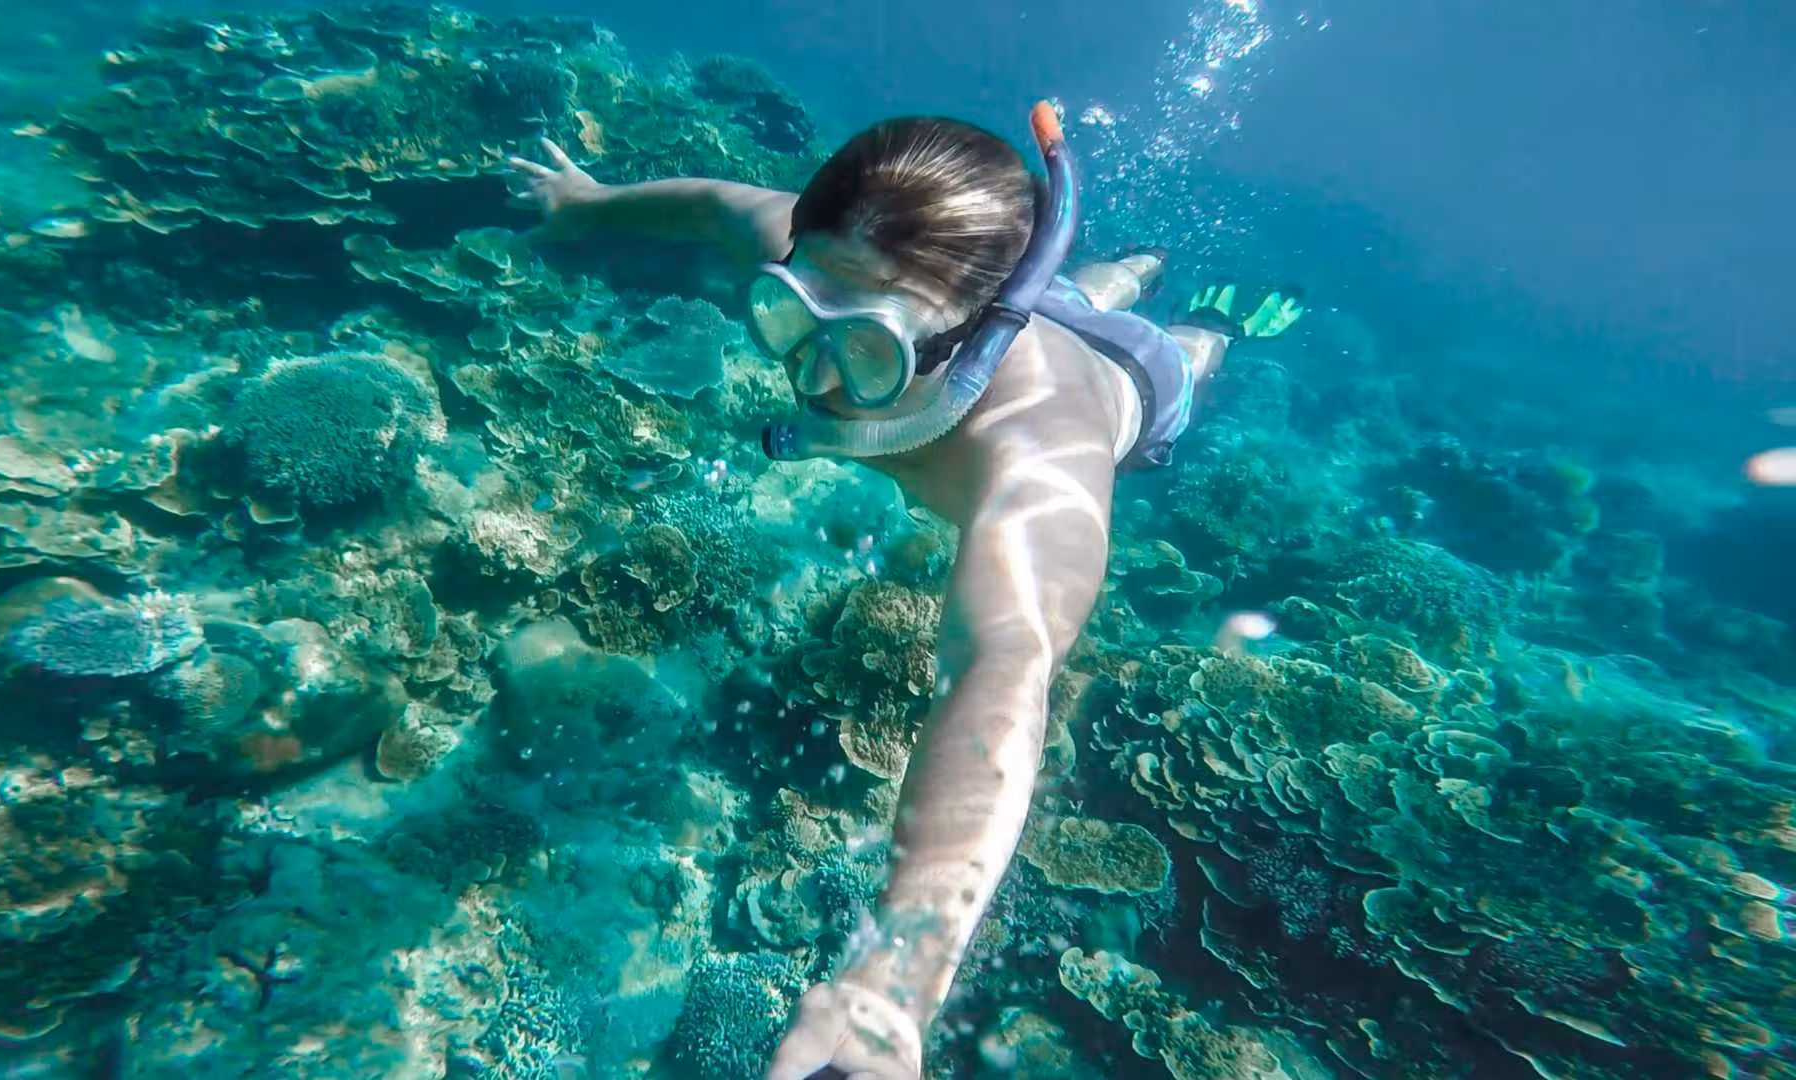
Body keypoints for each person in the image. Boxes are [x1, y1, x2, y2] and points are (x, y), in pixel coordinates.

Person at [511, 102, 1302, 1079]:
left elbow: (1004, 666)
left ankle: (1206, 315)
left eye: (871, 350)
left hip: (1124, 385)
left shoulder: (1038, 450)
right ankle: (1123, 264)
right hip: (1021, 305)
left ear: (964, 340)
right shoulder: (858, 257)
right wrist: (588, 203)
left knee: (1166, 345)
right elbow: (718, 203)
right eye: (790, 309)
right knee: (1086, 289)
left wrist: (899, 978)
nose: (818, 376)